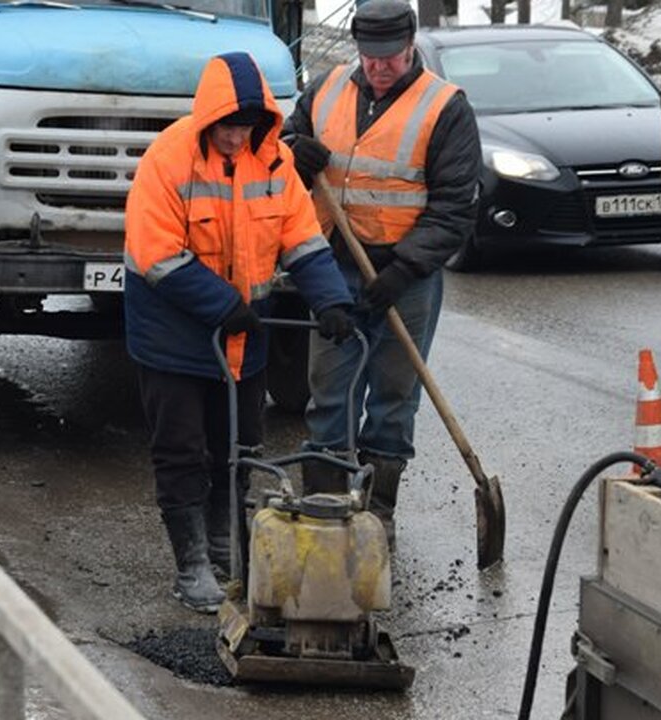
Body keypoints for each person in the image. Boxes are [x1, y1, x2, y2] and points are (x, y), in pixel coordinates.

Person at [124, 52, 355, 613]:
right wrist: (222, 303)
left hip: (242, 334)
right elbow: (155, 252)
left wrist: (331, 300)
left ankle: (227, 543)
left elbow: (301, 237)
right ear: (209, 119)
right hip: (174, 332)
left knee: (239, 445)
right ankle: (192, 564)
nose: (234, 139)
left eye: (245, 128)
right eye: (227, 127)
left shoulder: (274, 161)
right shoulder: (169, 159)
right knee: (182, 449)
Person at [284, 0, 481, 544]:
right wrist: (292, 150)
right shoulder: (325, 89)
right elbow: (280, 148)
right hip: (332, 266)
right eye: (369, 57)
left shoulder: (444, 107)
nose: (378, 68)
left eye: (389, 58)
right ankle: (325, 508)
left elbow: (454, 209)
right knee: (330, 389)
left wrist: (403, 269)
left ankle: (377, 515)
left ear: (410, 45)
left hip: (405, 275)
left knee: (394, 396)